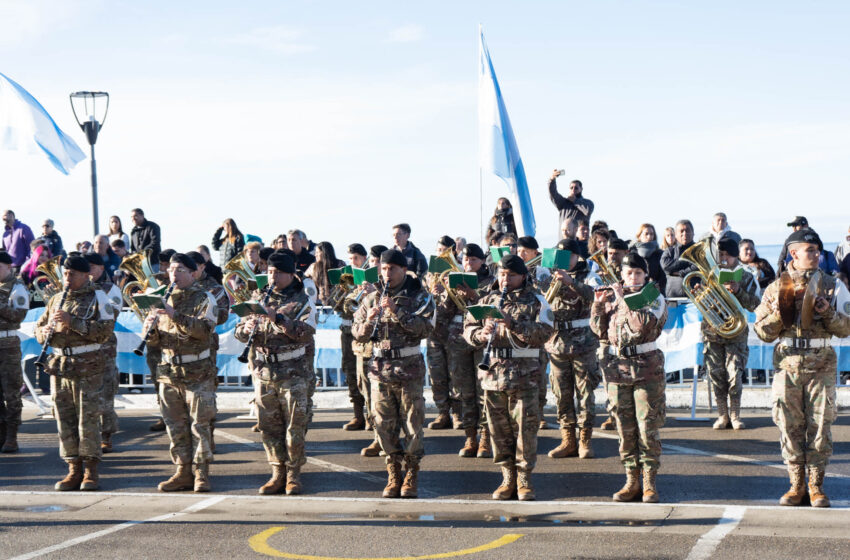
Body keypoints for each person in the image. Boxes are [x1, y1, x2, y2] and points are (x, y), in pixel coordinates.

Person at [754, 229, 850, 508]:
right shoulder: (775, 287)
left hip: (821, 366)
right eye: (810, 250)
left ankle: (816, 486)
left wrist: (826, 312)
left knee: (820, 426)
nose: (817, 254)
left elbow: (846, 328)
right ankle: (796, 485)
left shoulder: (833, 285)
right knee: (789, 425)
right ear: (794, 253)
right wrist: (779, 313)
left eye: (818, 250)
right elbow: (762, 331)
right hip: (787, 365)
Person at [463, 255, 554, 501]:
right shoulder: (486, 300)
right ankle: (507, 477)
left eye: (511, 275)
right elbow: (468, 328)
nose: (505, 279)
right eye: (502, 274)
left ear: (523, 276)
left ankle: (524, 479)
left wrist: (513, 324)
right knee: (498, 430)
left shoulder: (537, 300)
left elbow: (545, 332)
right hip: (493, 375)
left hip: (526, 375)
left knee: (525, 429)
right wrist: (480, 334)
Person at [352, 249, 435, 499]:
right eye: (384, 269)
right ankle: (393, 471)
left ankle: (411, 472)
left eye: (392, 269)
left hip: (408, 369)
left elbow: (426, 328)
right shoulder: (370, 298)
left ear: (403, 270)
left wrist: (398, 313)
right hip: (380, 370)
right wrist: (369, 322)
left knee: (412, 424)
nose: (387, 274)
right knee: (383, 425)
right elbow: (356, 332)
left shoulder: (420, 296)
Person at [235, 252, 316, 495]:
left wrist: (279, 318)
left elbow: (306, 332)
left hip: (294, 373)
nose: (273, 276)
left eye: (278, 272)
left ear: (291, 274)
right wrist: (246, 328)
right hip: (265, 371)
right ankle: (277, 472)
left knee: (295, 426)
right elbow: (239, 332)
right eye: (270, 272)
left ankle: (293, 474)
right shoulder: (257, 297)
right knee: (268, 426)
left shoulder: (303, 299)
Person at [35, 255, 117, 491]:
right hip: (60, 366)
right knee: (64, 420)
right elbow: (38, 328)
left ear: (85, 275)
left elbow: (104, 332)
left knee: (88, 419)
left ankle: (91, 470)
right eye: (65, 273)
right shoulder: (56, 299)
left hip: (88, 366)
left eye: (72, 274)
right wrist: (46, 331)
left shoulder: (99, 298)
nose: (67, 278)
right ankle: (73, 468)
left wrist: (73, 322)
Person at [591, 253, 667, 503]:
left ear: (646, 275)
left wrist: (623, 300)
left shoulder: (653, 298)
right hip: (618, 370)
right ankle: (631, 480)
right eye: (628, 273)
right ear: (621, 275)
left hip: (646, 370)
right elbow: (600, 331)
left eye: (637, 273)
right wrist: (599, 305)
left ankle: (649, 483)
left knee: (647, 427)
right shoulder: (614, 298)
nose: (632, 277)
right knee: (624, 428)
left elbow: (642, 327)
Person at [144, 253, 218, 493]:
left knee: (200, 425)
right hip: (169, 371)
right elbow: (156, 342)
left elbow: (204, 330)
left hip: (197, 372)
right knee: (175, 426)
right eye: (171, 270)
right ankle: (182, 471)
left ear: (192, 272)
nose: (173, 274)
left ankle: (201, 473)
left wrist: (173, 314)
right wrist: (151, 330)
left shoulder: (204, 298)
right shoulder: (161, 298)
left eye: (179, 270)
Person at [546, 239, 600, 460]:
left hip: (583, 343)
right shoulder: (549, 276)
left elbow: (596, 296)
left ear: (577, 257)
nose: (565, 260)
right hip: (557, 342)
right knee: (562, 394)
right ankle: (568, 439)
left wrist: (571, 282)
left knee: (585, 393)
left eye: (569, 256)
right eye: (561, 256)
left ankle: (585, 440)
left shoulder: (589, 275)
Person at [701, 238, 761, 430]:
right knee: (716, 375)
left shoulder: (747, 276)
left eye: (728, 254)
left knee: (734, 375)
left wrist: (738, 291)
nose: (723, 258)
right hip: (713, 332)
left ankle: (735, 415)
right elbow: (703, 304)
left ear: (736, 256)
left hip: (736, 333)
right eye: (721, 254)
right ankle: (722, 415)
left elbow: (754, 304)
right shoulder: (710, 275)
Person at [442, 243, 494, 457]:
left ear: (482, 261)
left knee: (484, 391)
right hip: (459, 341)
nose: (468, 263)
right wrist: (445, 292)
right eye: (465, 260)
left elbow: (492, 308)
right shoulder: (457, 280)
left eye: (473, 260)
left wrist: (473, 296)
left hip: (482, 340)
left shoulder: (492, 282)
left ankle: (486, 439)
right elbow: (444, 313)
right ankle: (470, 437)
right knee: (464, 392)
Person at [85, 253, 123, 453]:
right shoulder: (78, 290)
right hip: (82, 350)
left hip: (104, 349)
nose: (88, 271)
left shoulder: (111, 289)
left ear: (101, 268)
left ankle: (106, 435)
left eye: (91, 267)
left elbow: (112, 314)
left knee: (106, 393)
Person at [353, 245, 386, 457]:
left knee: (382, 399)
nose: (373, 266)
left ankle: (382, 438)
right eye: (371, 263)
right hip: (364, 348)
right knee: (366, 393)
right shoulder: (364, 288)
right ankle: (376, 435)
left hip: (385, 350)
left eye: (377, 263)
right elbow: (352, 313)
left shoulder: (390, 287)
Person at [517, 236, 552, 430]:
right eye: (519, 251)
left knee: (538, 372)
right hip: (517, 328)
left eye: (525, 252)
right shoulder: (512, 271)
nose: (521, 255)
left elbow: (546, 293)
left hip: (537, 326)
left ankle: (539, 413)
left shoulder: (542, 271)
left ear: (534, 253)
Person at [334, 243, 368, 431]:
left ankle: (371, 415)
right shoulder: (347, 278)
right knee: (350, 372)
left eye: (355, 258)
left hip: (364, 333)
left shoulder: (369, 279)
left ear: (363, 259)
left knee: (366, 374)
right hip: (347, 332)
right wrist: (341, 291)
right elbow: (336, 306)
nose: (352, 262)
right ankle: (358, 415)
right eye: (350, 259)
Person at [0, 251, 30, 453]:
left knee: (11, 392)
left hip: (8, 344)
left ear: (8, 267)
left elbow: (17, 315)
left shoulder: (18, 288)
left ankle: (12, 436)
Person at [660, 219, 697, 298]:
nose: (685, 233)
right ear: (676, 234)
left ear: (693, 233)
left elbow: (697, 267)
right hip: (673, 299)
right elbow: (665, 266)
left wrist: (680, 273)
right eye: (681, 231)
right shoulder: (669, 251)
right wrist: (687, 260)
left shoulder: (699, 252)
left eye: (687, 230)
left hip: (695, 298)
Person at [305, 242, 344, 306]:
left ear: (324, 252)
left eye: (317, 252)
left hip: (338, 303)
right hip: (319, 303)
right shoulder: (313, 267)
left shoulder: (339, 264)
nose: (315, 255)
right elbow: (304, 279)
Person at [632, 223, 666, 295]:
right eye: (646, 234)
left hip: (656, 291)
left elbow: (663, 275)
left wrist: (656, 284)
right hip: (637, 291)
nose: (649, 236)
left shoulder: (660, 253)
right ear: (639, 236)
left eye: (651, 234)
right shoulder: (633, 253)